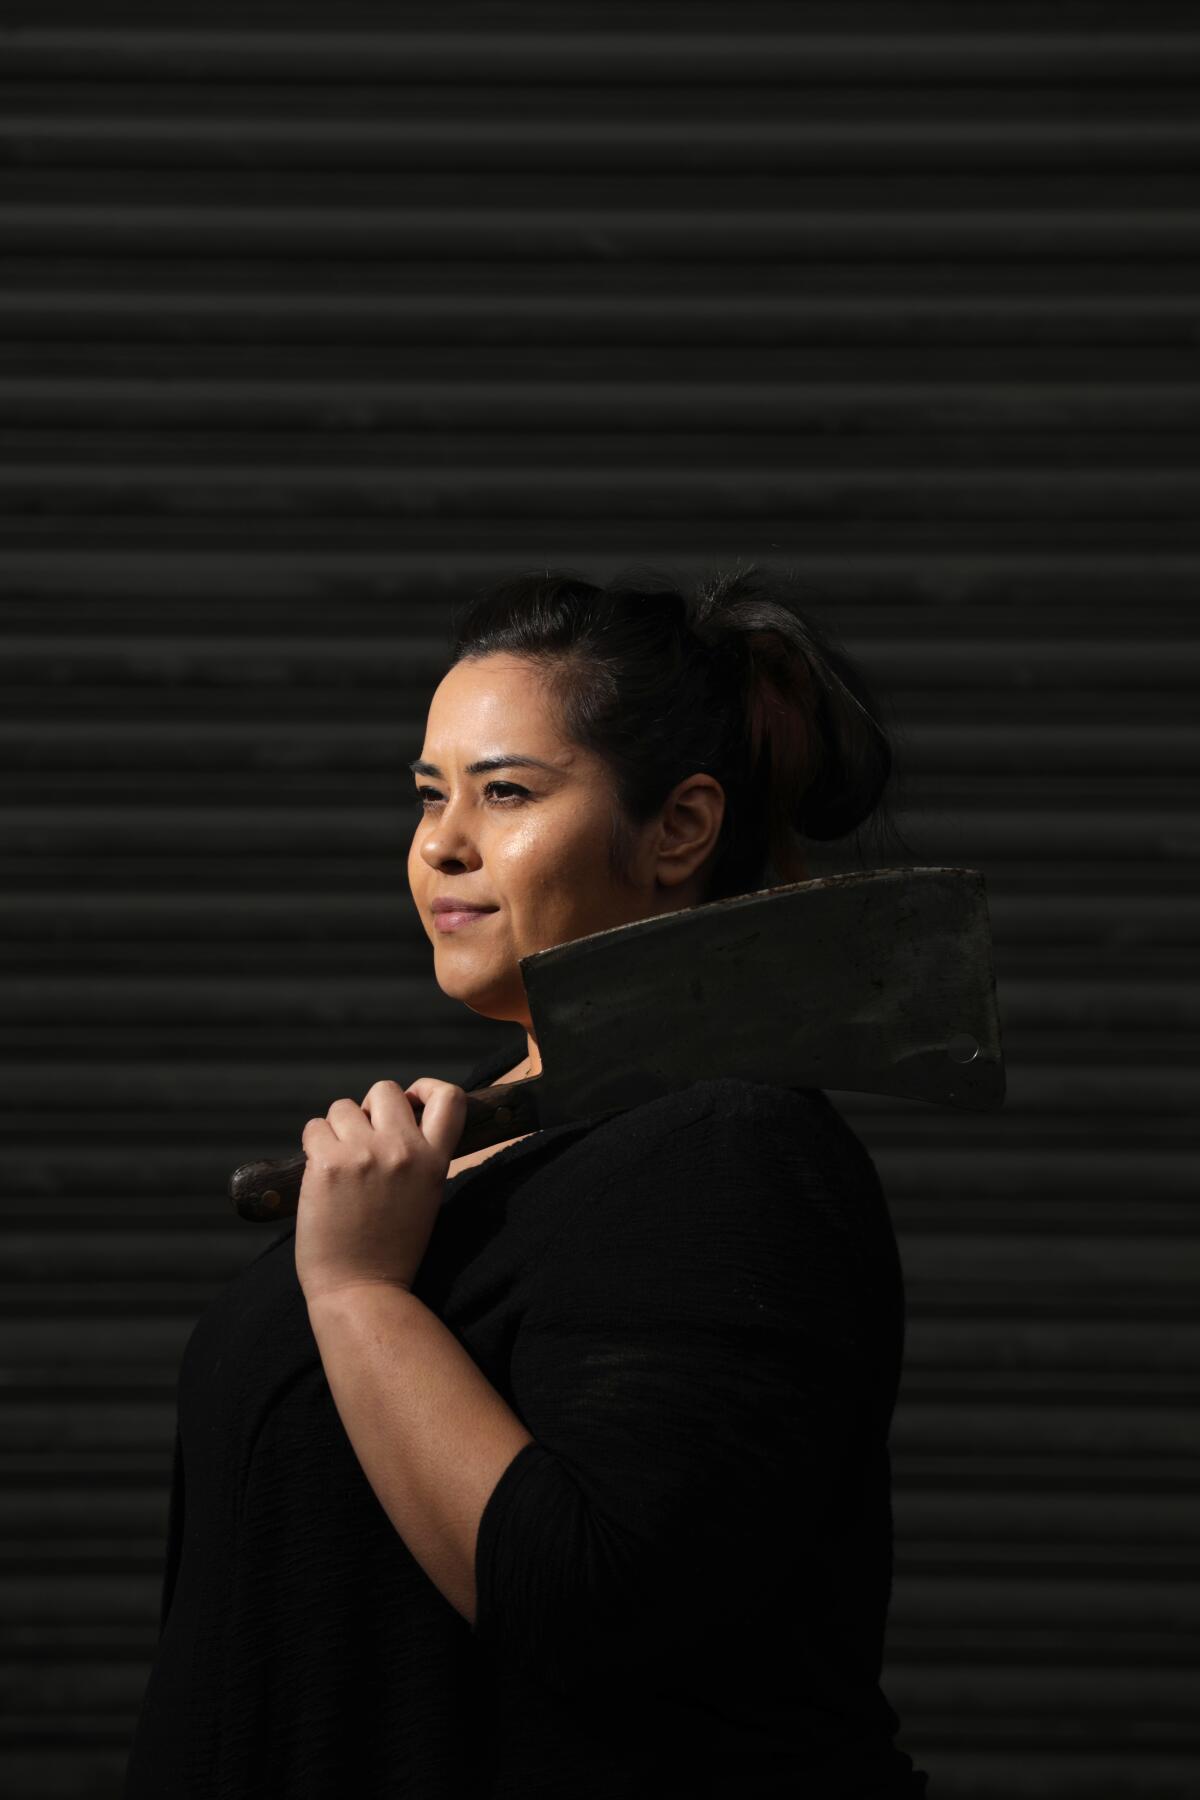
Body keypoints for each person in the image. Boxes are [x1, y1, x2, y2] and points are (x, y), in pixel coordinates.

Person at [123, 563, 930, 1797]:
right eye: (429, 794)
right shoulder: (495, 1155)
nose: (442, 842)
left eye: (506, 793)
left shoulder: (737, 1153)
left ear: (680, 829)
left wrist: (357, 1298)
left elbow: (583, 1603)